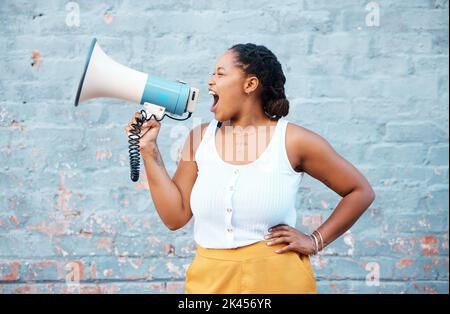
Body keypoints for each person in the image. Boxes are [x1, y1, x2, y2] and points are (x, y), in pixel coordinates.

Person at [124, 43, 375, 294]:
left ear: (250, 84)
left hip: (280, 280)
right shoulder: (198, 139)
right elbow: (175, 217)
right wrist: (148, 150)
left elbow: (359, 191)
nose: (210, 82)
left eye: (220, 74)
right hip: (209, 282)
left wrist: (315, 241)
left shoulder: (294, 141)